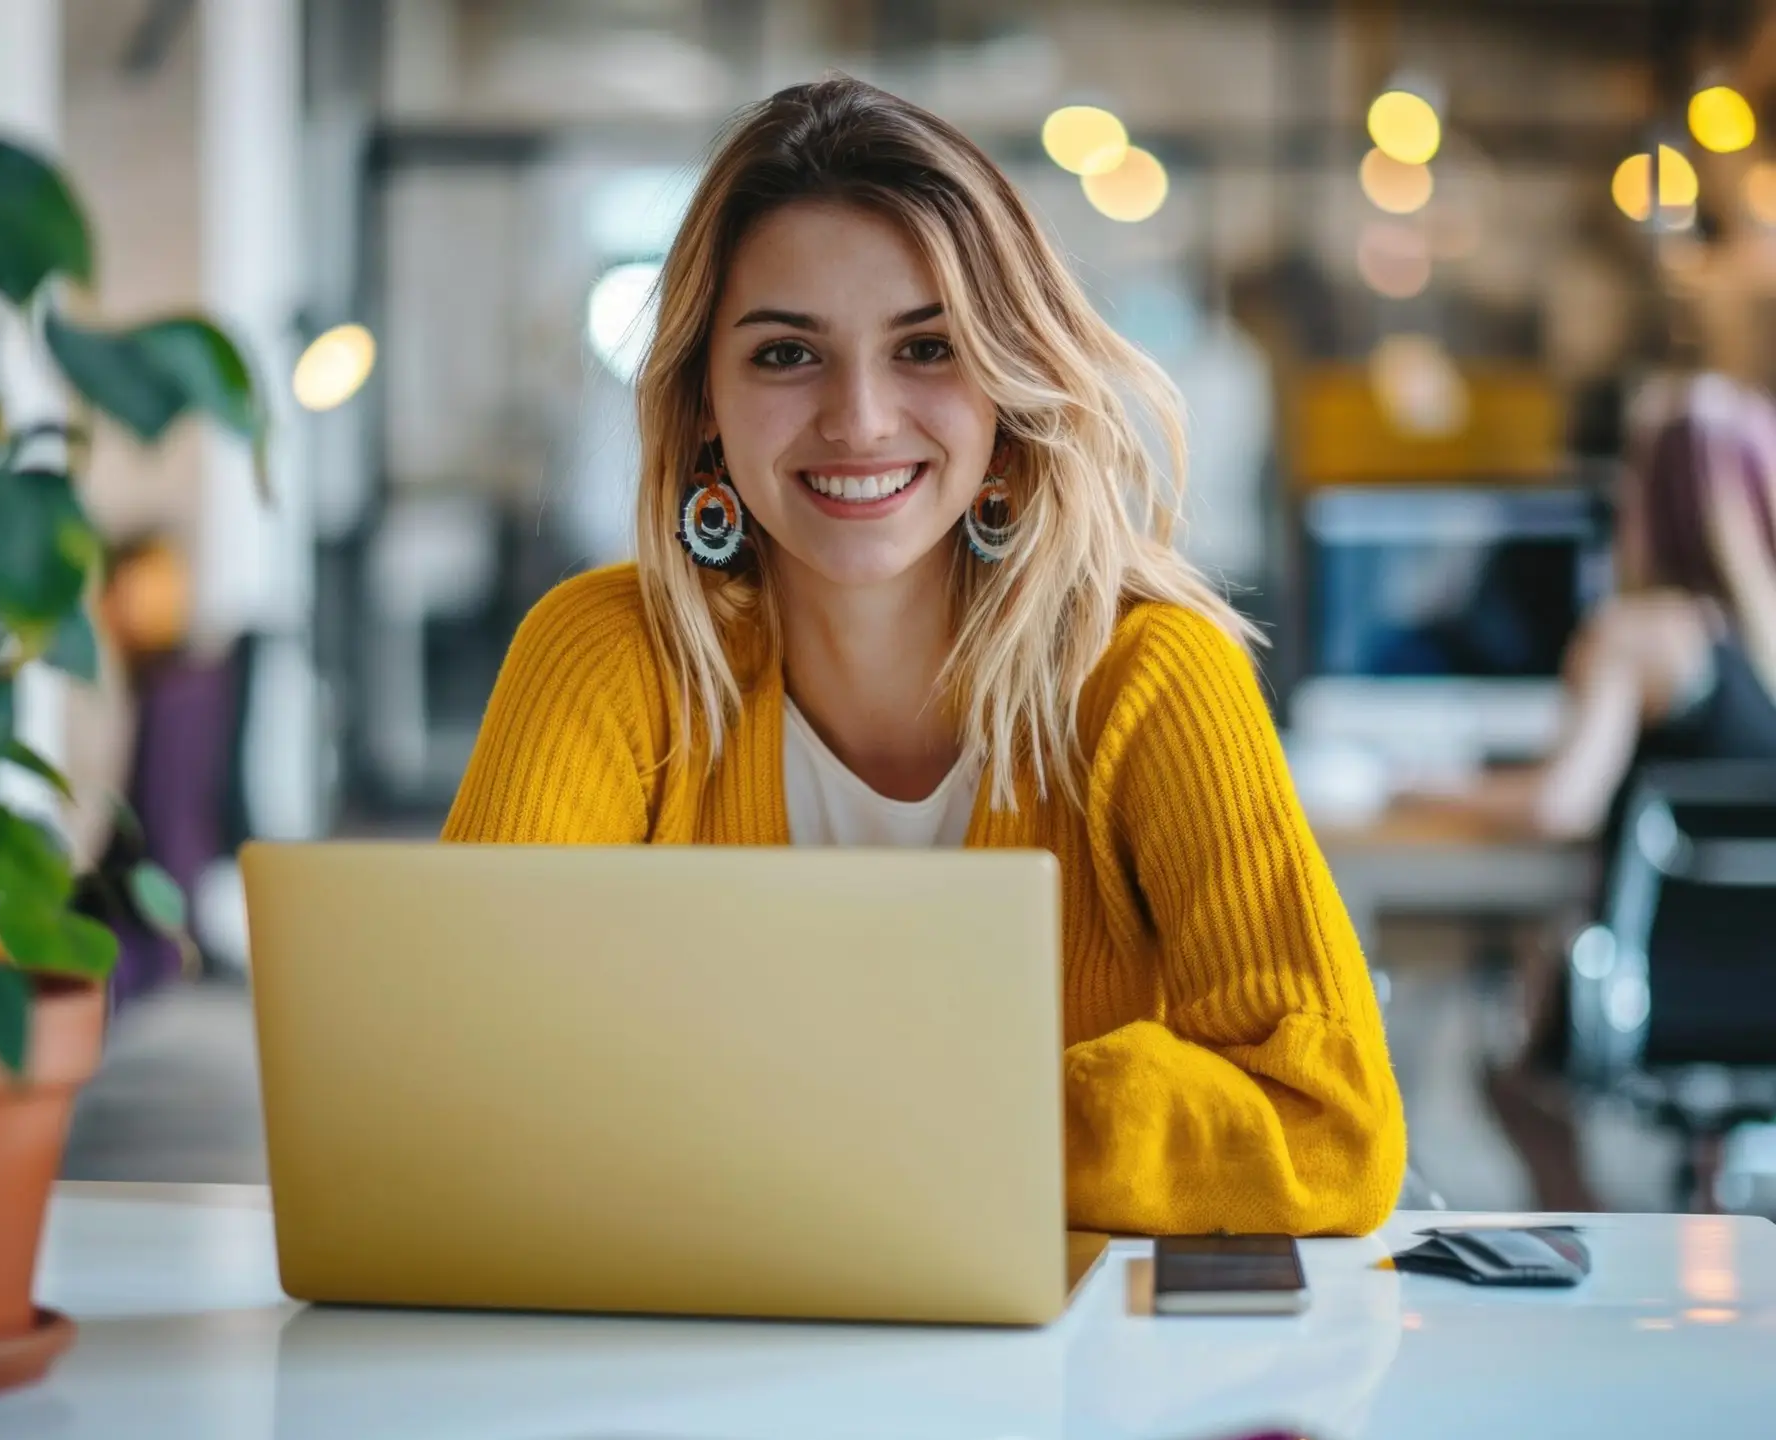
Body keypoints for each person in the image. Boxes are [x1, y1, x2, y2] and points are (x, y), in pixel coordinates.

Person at [443, 77, 1404, 1237]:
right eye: (788, 354)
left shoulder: (1151, 677)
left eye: (927, 347)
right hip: (700, 1362)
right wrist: (947, 1126)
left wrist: (852, 1120)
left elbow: (1331, 1128)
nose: (858, 418)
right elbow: (468, 1079)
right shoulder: (606, 655)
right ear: (705, 397)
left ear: (1008, 382)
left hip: (1056, 1390)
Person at [1459, 373, 1776, 1210]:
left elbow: (1560, 805)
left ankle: (1587, 1243)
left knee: (1509, 1079)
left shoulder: (1640, 638)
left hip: (1650, 1003)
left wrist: (1431, 792)